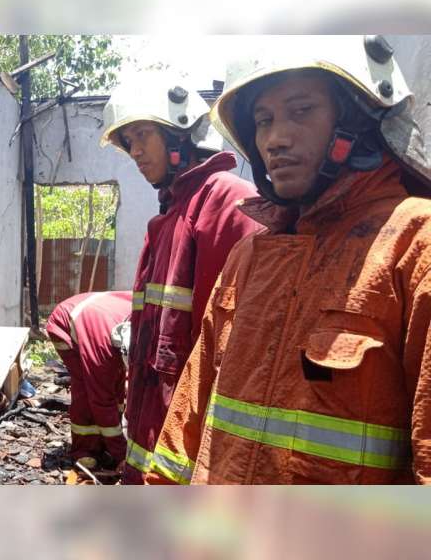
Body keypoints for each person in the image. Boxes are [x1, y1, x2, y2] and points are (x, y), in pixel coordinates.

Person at [152, 35, 431, 484]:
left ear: (357, 118)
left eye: (302, 111)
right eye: (263, 121)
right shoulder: (250, 256)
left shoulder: (414, 244)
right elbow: (188, 418)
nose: (275, 139)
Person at [100, 70, 259, 483]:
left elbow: (244, 339)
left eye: (141, 136)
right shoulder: (167, 219)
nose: (134, 152)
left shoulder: (227, 199)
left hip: (195, 427)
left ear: (179, 136)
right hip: (153, 418)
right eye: (128, 143)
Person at [46, 290, 132, 470]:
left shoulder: (145, 320)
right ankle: (85, 450)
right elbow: (101, 400)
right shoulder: (101, 350)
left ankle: (106, 441)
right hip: (65, 325)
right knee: (87, 389)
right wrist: (121, 455)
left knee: (114, 383)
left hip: (96, 314)